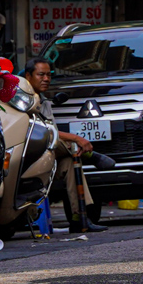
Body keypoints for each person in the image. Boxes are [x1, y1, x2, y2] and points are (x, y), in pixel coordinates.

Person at [26, 58, 107, 233]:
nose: (46, 79)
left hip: (48, 158)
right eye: (41, 74)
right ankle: (90, 155)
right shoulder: (22, 100)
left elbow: (52, 132)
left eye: (48, 75)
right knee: (73, 147)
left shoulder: (45, 101)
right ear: (28, 76)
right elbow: (46, 132)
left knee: (70, 163)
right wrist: (76, 138)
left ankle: (80, 218)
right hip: (30, 157)